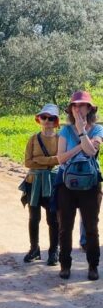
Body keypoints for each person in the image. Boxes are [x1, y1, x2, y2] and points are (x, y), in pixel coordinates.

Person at [56, 91, 102, 281]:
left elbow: (92, 152)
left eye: (82, 105)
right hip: (67, 185)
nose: (78, 108)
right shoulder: (65, 131)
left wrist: (82, 131)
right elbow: (60, 158)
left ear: (89, 108)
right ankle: (65, 265)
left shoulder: (98, 130)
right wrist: (79, 146)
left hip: (91, 185)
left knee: (91, 227)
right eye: (75, 105)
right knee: (65, 227)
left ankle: (93, 266)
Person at [21, 104, 60, 266]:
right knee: (34, 217)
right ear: (39, 119)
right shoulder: (33, 139)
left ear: (56, 121)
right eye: (44, 117)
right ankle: (34, 249)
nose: (47, 121)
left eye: (51, 118)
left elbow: (61, 159)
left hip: (52, 182)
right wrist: (50, 161)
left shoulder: (60, 139)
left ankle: (53, 251)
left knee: (53, 219)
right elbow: (27, 162)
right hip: (34, 182)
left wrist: (40, 160)